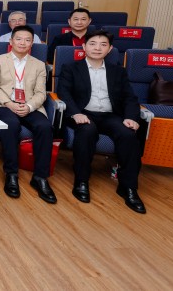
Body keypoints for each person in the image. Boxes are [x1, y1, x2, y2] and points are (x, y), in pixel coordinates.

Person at [57, 30, 145, 213]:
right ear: (84, 46)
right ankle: (81, 181)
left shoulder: (118, 71)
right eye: (93, 44)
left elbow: (130, 97)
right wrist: (75, 113)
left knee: (128, 135)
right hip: (84, 113)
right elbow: (64, 93)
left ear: (110, 49)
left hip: (110, 115)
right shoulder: (71, 68)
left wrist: (131, 117)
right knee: (87, 131)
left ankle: (128, 187)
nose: (97, 48)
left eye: (103, 44)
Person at [0, 25, 57, 204]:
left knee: (45, 127)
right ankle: (11, 174)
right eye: (18, 39)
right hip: (5, 104)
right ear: (11, 41)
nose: (23, 43)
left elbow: (41, 93)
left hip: (30, 105)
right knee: (11, 125)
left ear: (32, 43)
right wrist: (9, 104)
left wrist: (29, 106)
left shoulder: (39, 65)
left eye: (27, 40)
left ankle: (40, 177)